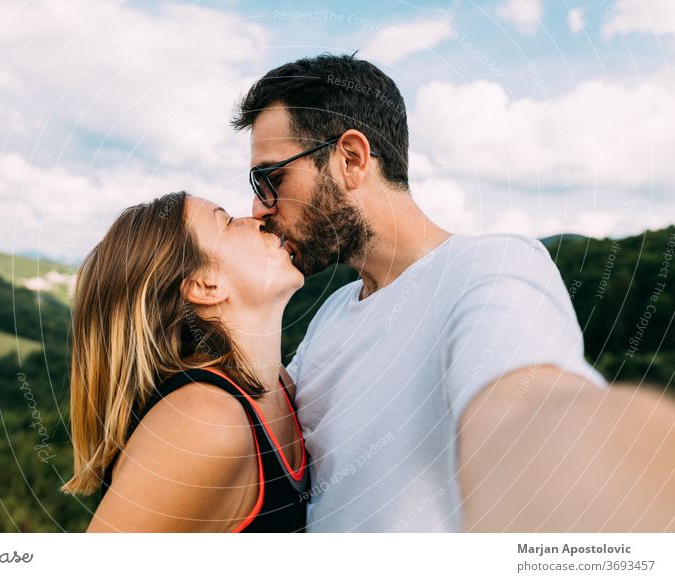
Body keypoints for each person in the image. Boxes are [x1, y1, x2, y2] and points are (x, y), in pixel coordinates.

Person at [232, 53, 675, 532]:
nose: (258, 208)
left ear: (351, 159)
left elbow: (526, 413)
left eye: (271, 179)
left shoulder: (491, 270)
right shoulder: (333, 312)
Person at [61, 191, 309, 532]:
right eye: (230, 222)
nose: (258, 220)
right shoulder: (204, 422)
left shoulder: (282, 385)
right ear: (205, 286)